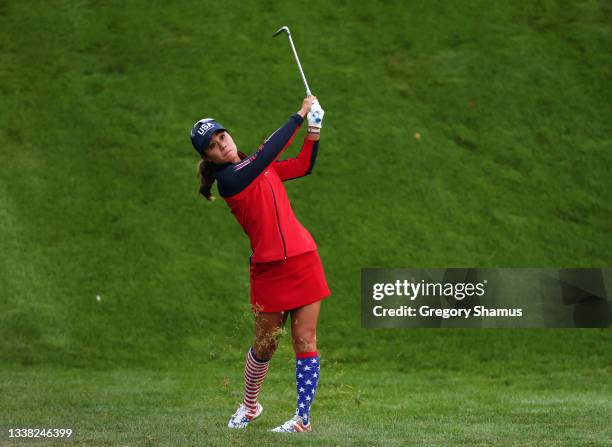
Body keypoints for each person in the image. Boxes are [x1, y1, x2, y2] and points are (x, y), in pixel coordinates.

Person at [190, 95, 330, 433]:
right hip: (269, 269)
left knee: (305, 341)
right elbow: (267, 154)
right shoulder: (231, 180)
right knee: (265, 346)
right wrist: (298, 115)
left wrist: (314, 131)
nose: (220, 144)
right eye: (211, 145)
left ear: (228, 135)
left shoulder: (257, 165)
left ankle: (302, 420)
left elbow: (300, 166)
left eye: (221, 136)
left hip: (303, 259)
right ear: (207, 156)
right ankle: (250, 405)